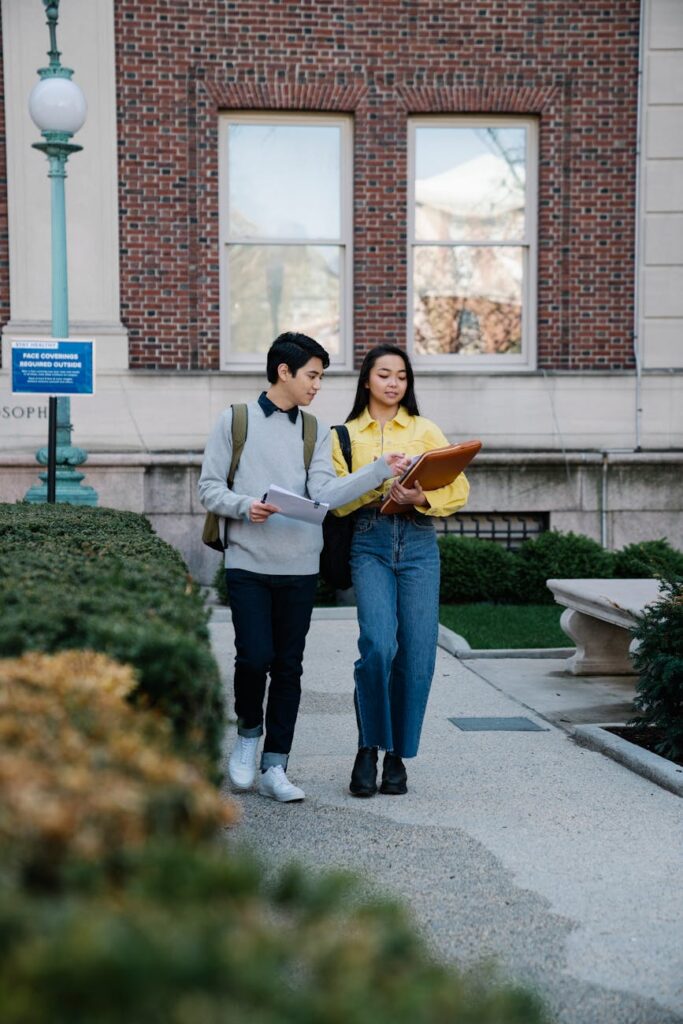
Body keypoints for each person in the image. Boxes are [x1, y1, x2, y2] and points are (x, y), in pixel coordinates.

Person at [198, 332, 408, 803]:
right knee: (254, 658)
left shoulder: (315, 430)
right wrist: (242, 505)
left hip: (299, 567)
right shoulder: (235, 420)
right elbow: (209, 488)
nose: (317, 385)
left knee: (289, 667)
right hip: (248, 562)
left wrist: (379, 470)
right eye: (312, 375)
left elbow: (327, 495)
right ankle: (248, 735)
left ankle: (277, 765)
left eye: (321, 377)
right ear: (284, 372)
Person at [331, 344, 470, 797]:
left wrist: (421, 498)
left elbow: (459, 486)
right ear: (367, 380)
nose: (394, 383)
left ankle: (395, 755)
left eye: (402, 376)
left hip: (418, 543)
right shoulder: (345, 436)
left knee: (415, 655)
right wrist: (378, 477)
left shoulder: (425, 429)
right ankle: (367, 746)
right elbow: (335, 499)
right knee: (377, 644)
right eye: (385, 374)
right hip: (369, 540)